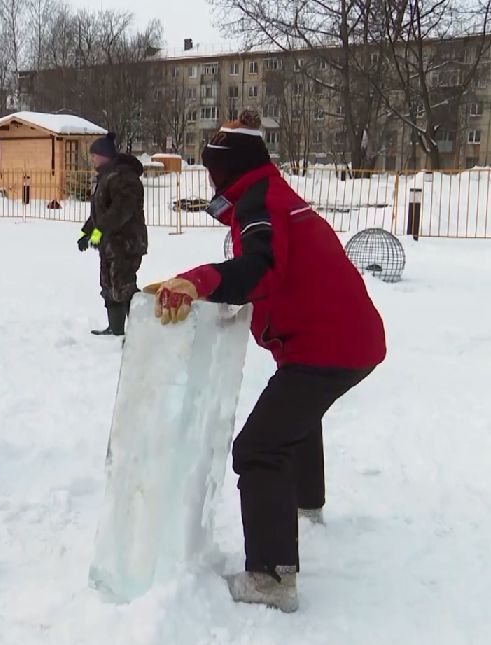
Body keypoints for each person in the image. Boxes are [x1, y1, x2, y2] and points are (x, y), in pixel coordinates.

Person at [142, 110, 386, 613]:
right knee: (295, 418)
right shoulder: (268, 193)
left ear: (226, 170)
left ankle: (273, 577)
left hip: (328, 345)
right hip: (341, 340)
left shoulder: (260, 202)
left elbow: (263, 267)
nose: (210, 180)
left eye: (212, 170)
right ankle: (306, 507)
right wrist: (208, 285)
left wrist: (201, 280)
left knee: (258, 448)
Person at [77, 132, 148, 336]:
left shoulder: (123, 177)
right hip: (110, 242)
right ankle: (115, 328)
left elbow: (120, 210)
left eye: (94, 154)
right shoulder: (106, 177)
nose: (92, 158)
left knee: (124, 285)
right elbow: (101, 211)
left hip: (126, 242)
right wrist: (87, 232)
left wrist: (100, 230)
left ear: (104, 155)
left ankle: (140, 330)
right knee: (109, 285)